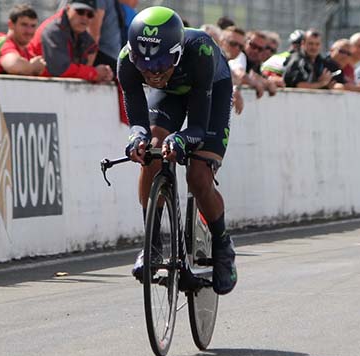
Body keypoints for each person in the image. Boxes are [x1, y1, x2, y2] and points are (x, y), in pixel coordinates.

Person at [118, 6, 237, 295]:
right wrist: (137, 139)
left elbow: (197, 127)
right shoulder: (126, 62)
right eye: (145, 67)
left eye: (161, 65)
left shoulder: (200, 53)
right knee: (151, 153)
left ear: (177, 53)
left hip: (210, 89)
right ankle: (153, 243)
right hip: (171, 97)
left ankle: (223, 245)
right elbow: (137, 122)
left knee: (198, 175)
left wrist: (182, 141)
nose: (153, 73)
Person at [29, 0, 113, 82]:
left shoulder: (81, 33)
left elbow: (91, 51)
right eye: (80, 11)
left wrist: (105, 73)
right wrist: (94, 73)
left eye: (90, 15)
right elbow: (60, 70)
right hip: (36, 86)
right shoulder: (53, 30)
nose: (85, 18)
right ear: (68, 8)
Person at [0, 4, 45, 75]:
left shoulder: (28, 51)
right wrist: (33, 67)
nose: (29, 31)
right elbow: (12, 64)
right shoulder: (3, 44)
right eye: (24, 25)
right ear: (11, 24)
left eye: (33, 26)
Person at [88, 0, 124, 75]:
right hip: (105, 57)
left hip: (103, 58)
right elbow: (93, 33)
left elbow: (93, 34)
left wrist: (87, 69)